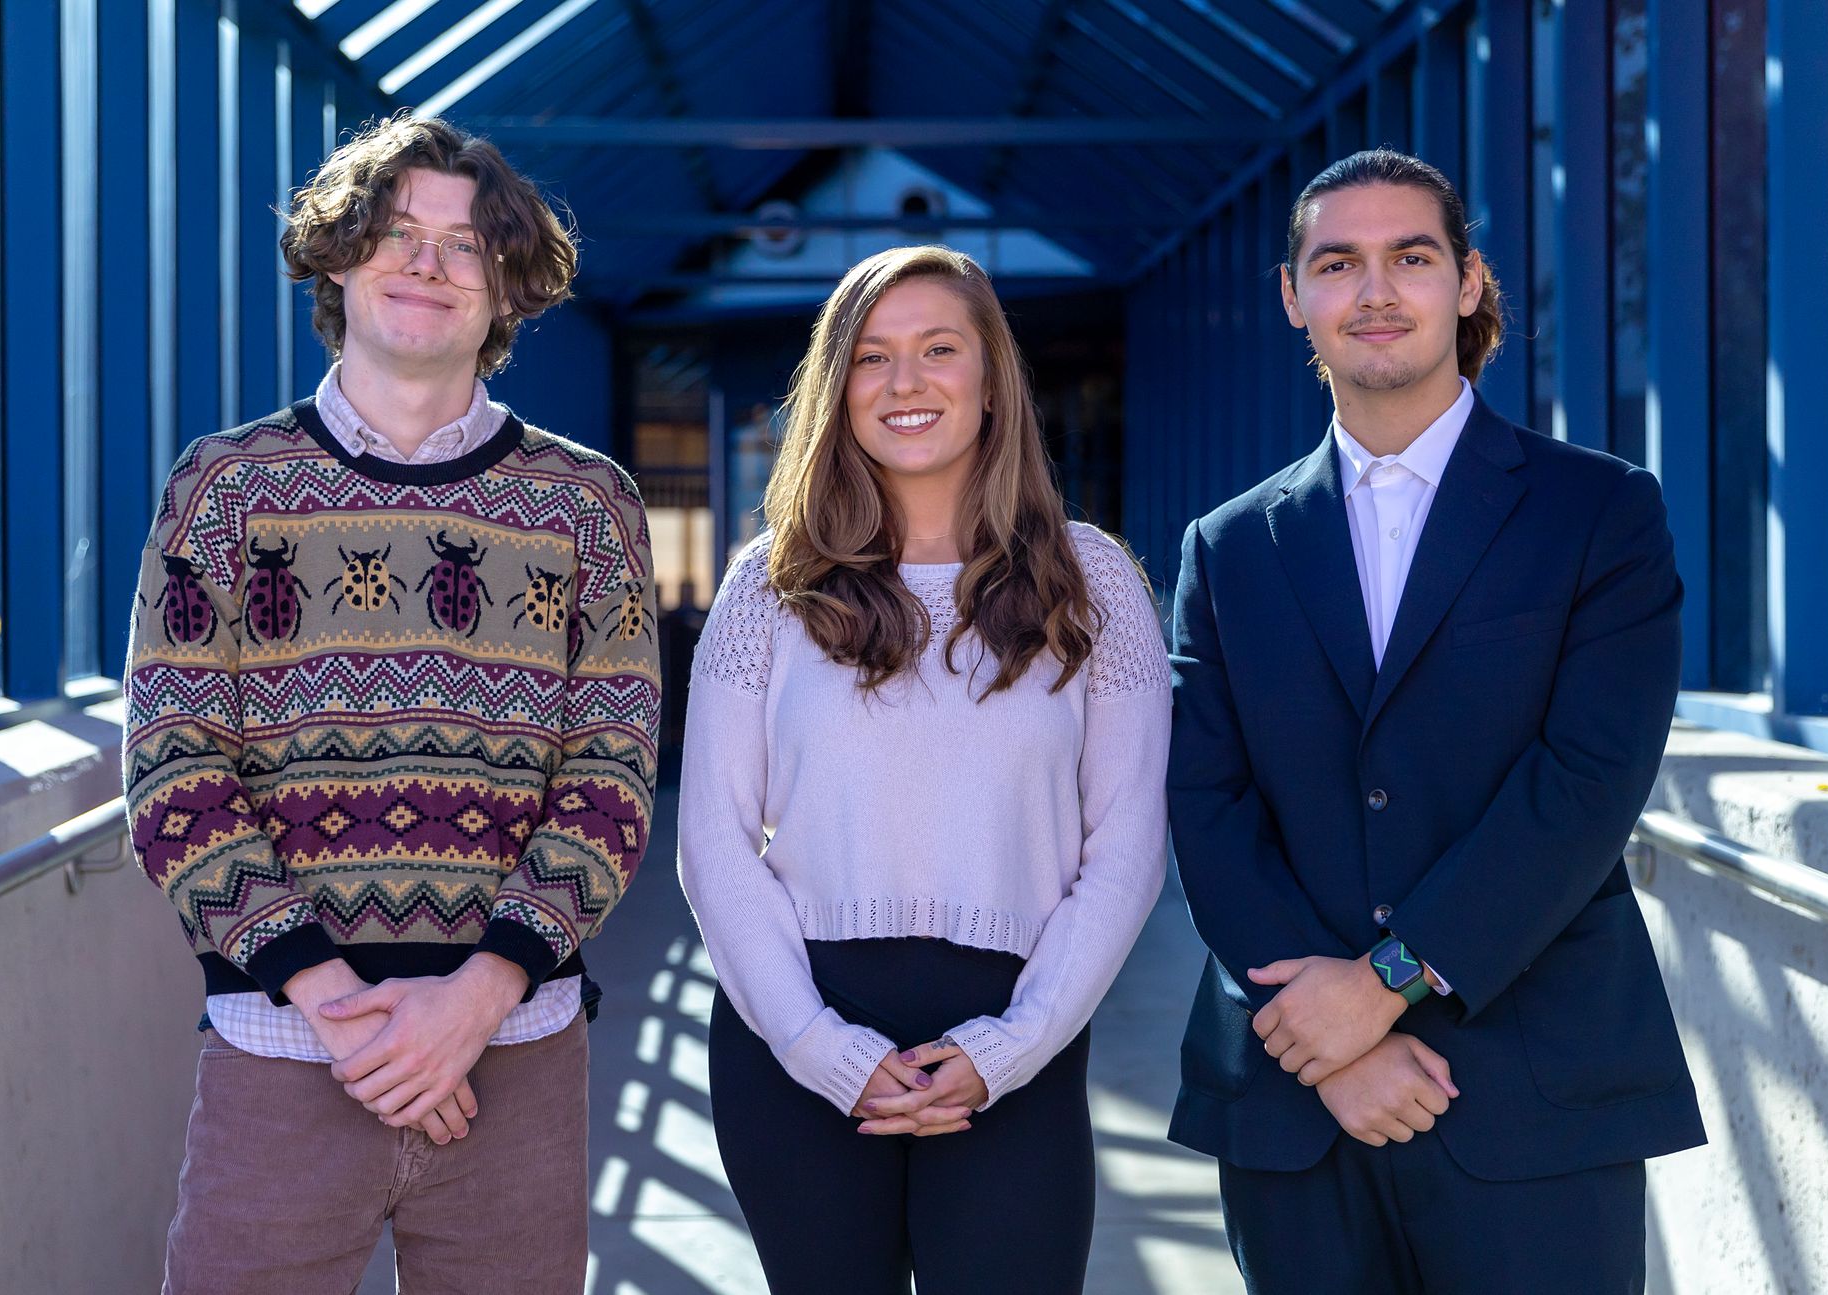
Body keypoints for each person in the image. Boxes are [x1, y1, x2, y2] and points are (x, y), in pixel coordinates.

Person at [121, 113, 660, 1294]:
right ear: (337, 257)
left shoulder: (587, 505)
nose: (427, 262)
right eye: (398, 232)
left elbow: (610, 781)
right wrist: (335, 998)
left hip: (513, 1058)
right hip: (278, 1047)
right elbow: (171, 770)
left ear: (507, 283)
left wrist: (476, 995)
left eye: (466, 245)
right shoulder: (224, 487)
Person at [1166, 147, 1705, 1294]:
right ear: (1291, 296)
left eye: (1408, 257)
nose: (1374, 290)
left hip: (1535, 1087)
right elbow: (1204, 803)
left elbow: (1587, 779)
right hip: (1295, 1094)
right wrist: (1325, 1037)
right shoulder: (1224, 546)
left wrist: (1383, 983)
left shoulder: (1598, 510)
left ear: (1464, 282)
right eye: (1337, 262)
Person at [677, 244, 1169, 1295]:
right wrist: (823, 1049)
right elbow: (712, 843)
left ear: (990, 380)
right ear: (836, 387)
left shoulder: (1092, 581)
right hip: (796, 1036)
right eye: (871, 357)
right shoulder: (768, 587)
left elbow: (1124, 843)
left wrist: (1013, 1043)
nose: (904, 383)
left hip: (1013, 1039)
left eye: (938, 349)